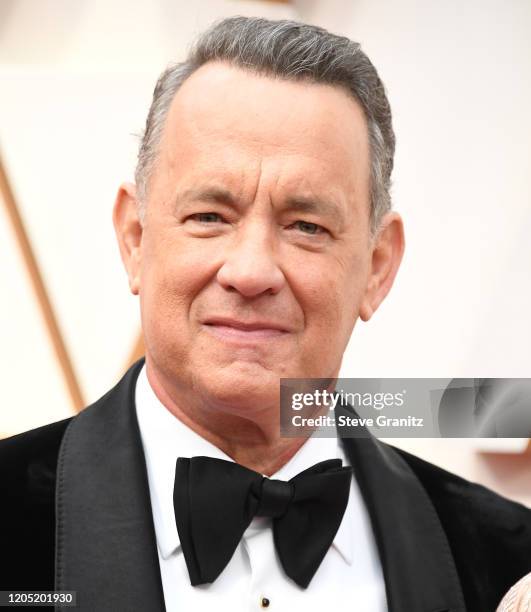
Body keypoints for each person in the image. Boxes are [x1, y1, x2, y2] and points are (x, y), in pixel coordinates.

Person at [1, 16, 530, 612]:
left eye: (307, 226)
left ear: (377, 266)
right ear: (134, 238)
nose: (250, 272)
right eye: (209, 216)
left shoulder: (509, 563)